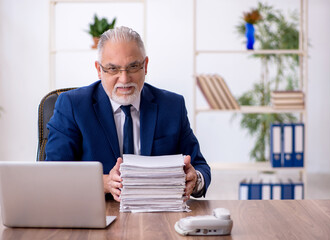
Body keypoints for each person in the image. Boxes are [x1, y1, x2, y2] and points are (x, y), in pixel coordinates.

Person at [45, 26, 211, 202]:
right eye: (113, 69)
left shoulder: (172, 106)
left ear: (145, 66)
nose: (124, 79)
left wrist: (196, 179)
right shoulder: (72, 105)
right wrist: (105, 182)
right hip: (96, 213)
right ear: (99, 70)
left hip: (158, 215)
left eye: (133, 67)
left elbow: (200, 166)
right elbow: (53, 174)